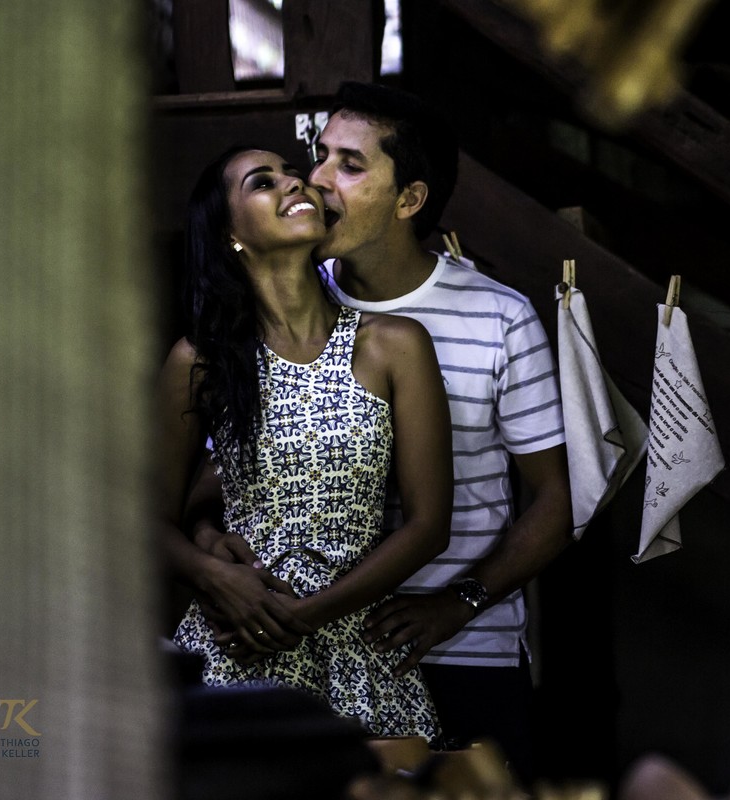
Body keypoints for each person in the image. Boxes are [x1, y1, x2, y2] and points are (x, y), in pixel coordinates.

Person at [190, 82, 573, 781]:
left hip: (461, 645)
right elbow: (227, 478)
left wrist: (457, 604)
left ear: (410, 201)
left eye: (351, 165)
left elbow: (556, 504)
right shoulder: (291, 303)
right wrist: (213, 548)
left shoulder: (498, 317)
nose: (318, 180)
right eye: (320, 155)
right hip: (304, 638)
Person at [156, 145, 453, 740]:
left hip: (359, 652)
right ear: (230, 235)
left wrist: (305, 614)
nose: (298, 184)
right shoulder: (202, 361)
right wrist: (216, 577)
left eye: (295, 174)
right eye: (265, 182)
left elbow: (429, 525)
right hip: (234, 647)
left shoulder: (394, 344)